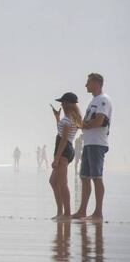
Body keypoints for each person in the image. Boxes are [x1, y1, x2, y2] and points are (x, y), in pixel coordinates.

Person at [72, 73, 112, 222]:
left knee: (96, 177)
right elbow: (86, 122)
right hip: (88, 143)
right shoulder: (93, 101)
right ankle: (82, 210)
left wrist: (84, 125)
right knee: (84, 177)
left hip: (97, 143)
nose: (85, 85)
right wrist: (84, 125)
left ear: (96, 83)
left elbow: (99, 121)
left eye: (88, 82)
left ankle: (98, 212)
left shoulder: (103, 100)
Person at [49, 92, 82, 221]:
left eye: (63, 102)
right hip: (65, 149)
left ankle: (66, 213)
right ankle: (60, 211)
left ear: (68, 103)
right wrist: (57, 118)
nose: (61, 104)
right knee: (53, 181)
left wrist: (56, 158)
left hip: (64, 150)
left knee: (62, 183)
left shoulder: (69, 120)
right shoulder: (70, 118)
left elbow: (64, 139)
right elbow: (61, 132)